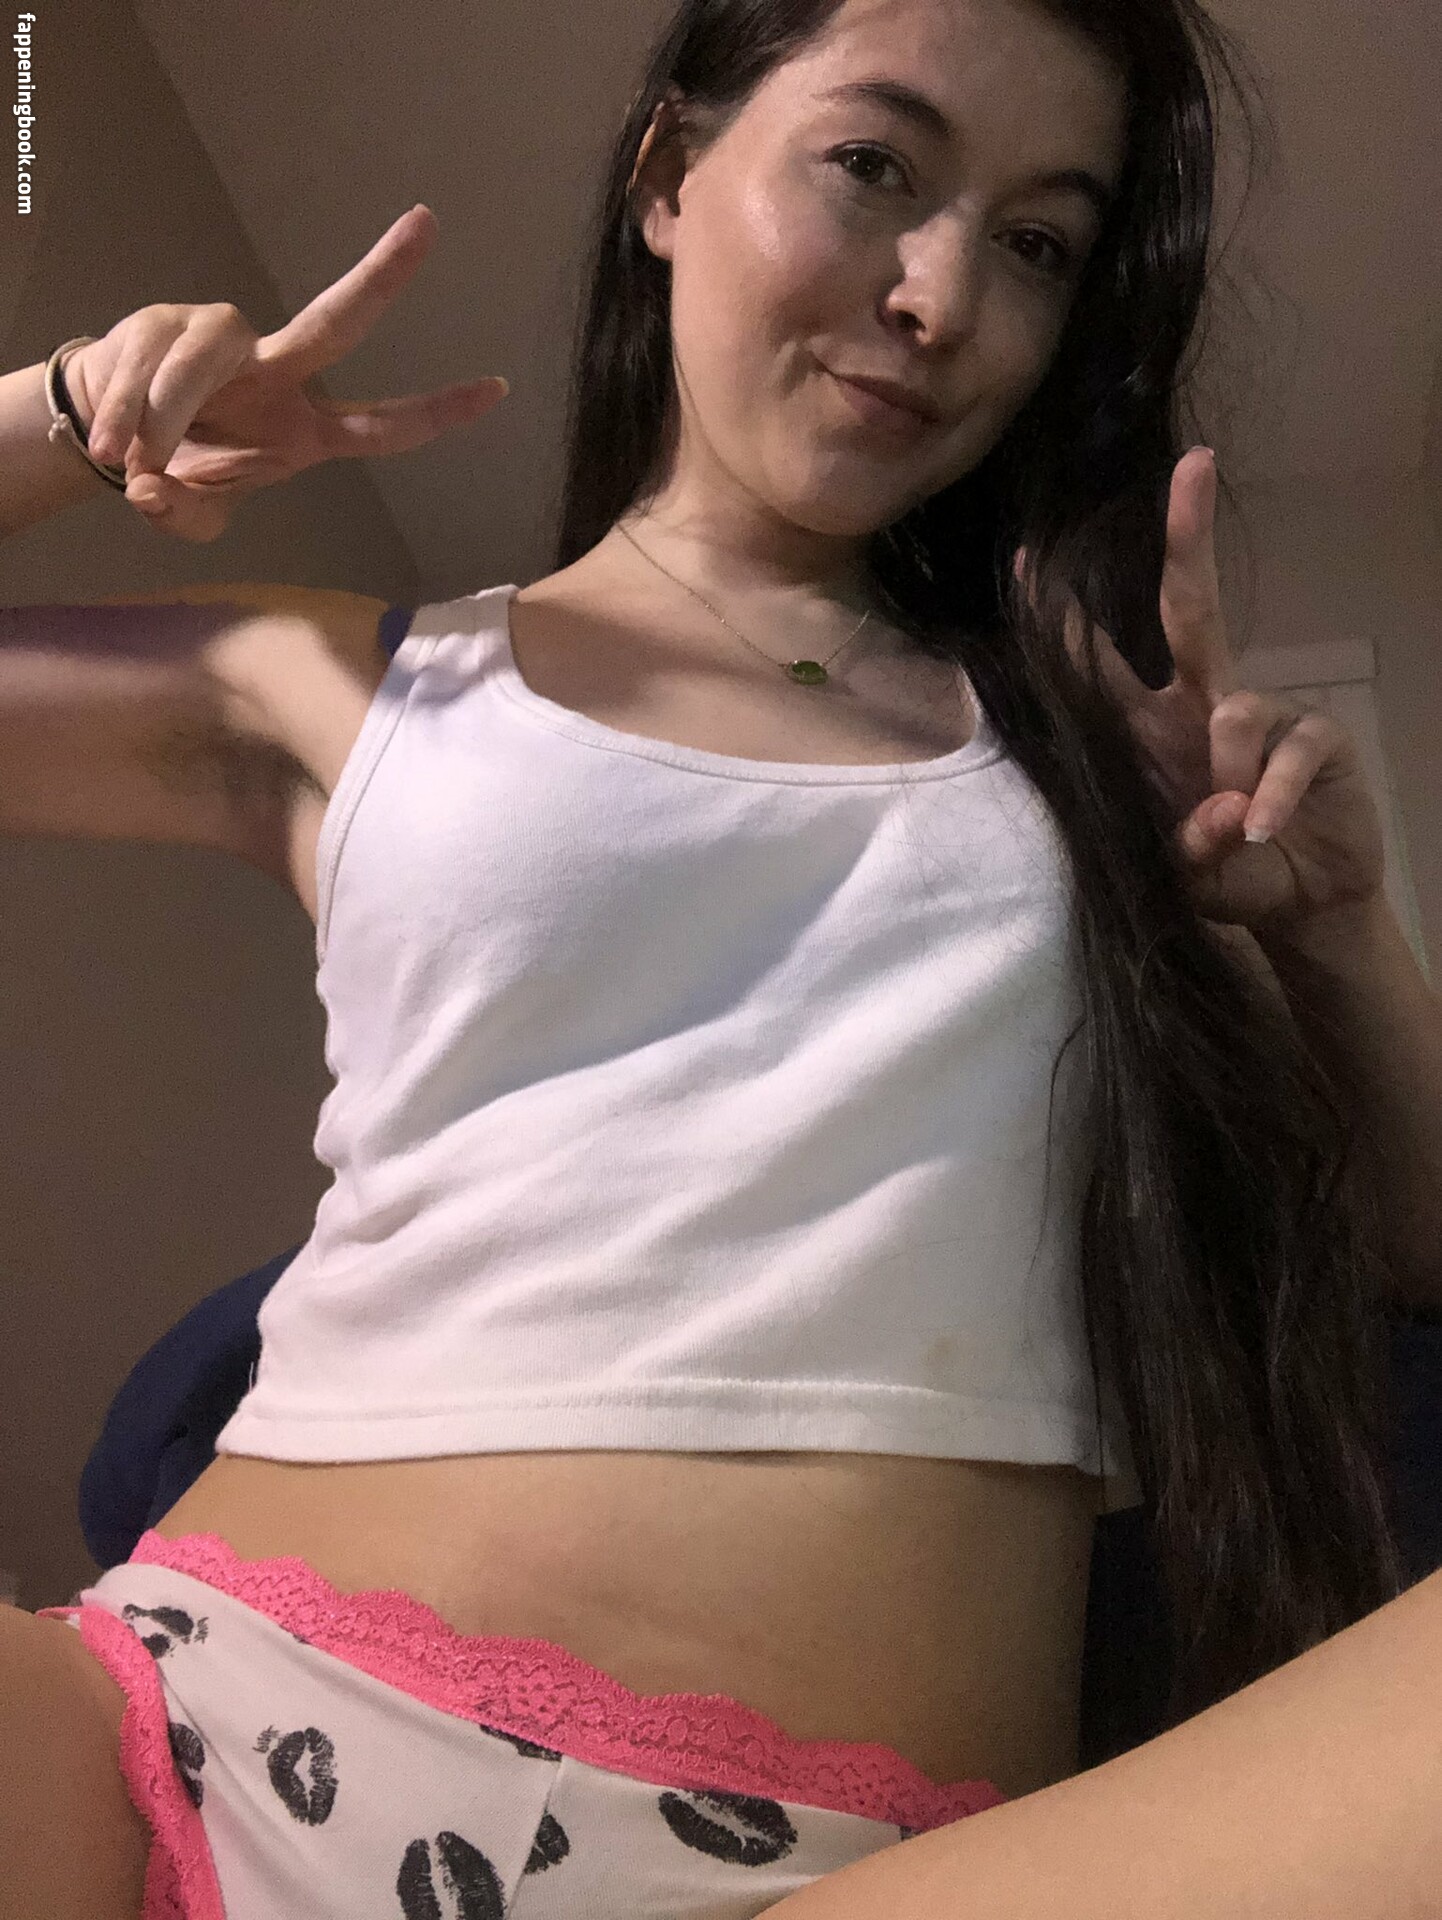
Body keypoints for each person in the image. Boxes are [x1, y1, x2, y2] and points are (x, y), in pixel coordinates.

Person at [3, 0, 1439, 1913]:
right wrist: (67, 417)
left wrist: (1332, 938)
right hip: (183, 1730)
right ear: (670, 174)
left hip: (836, 1870)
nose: (940, 297)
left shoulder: (1095, 771)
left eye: (1036, 243)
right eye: (875, 166)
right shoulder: (347, 680)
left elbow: (1414, 1258)